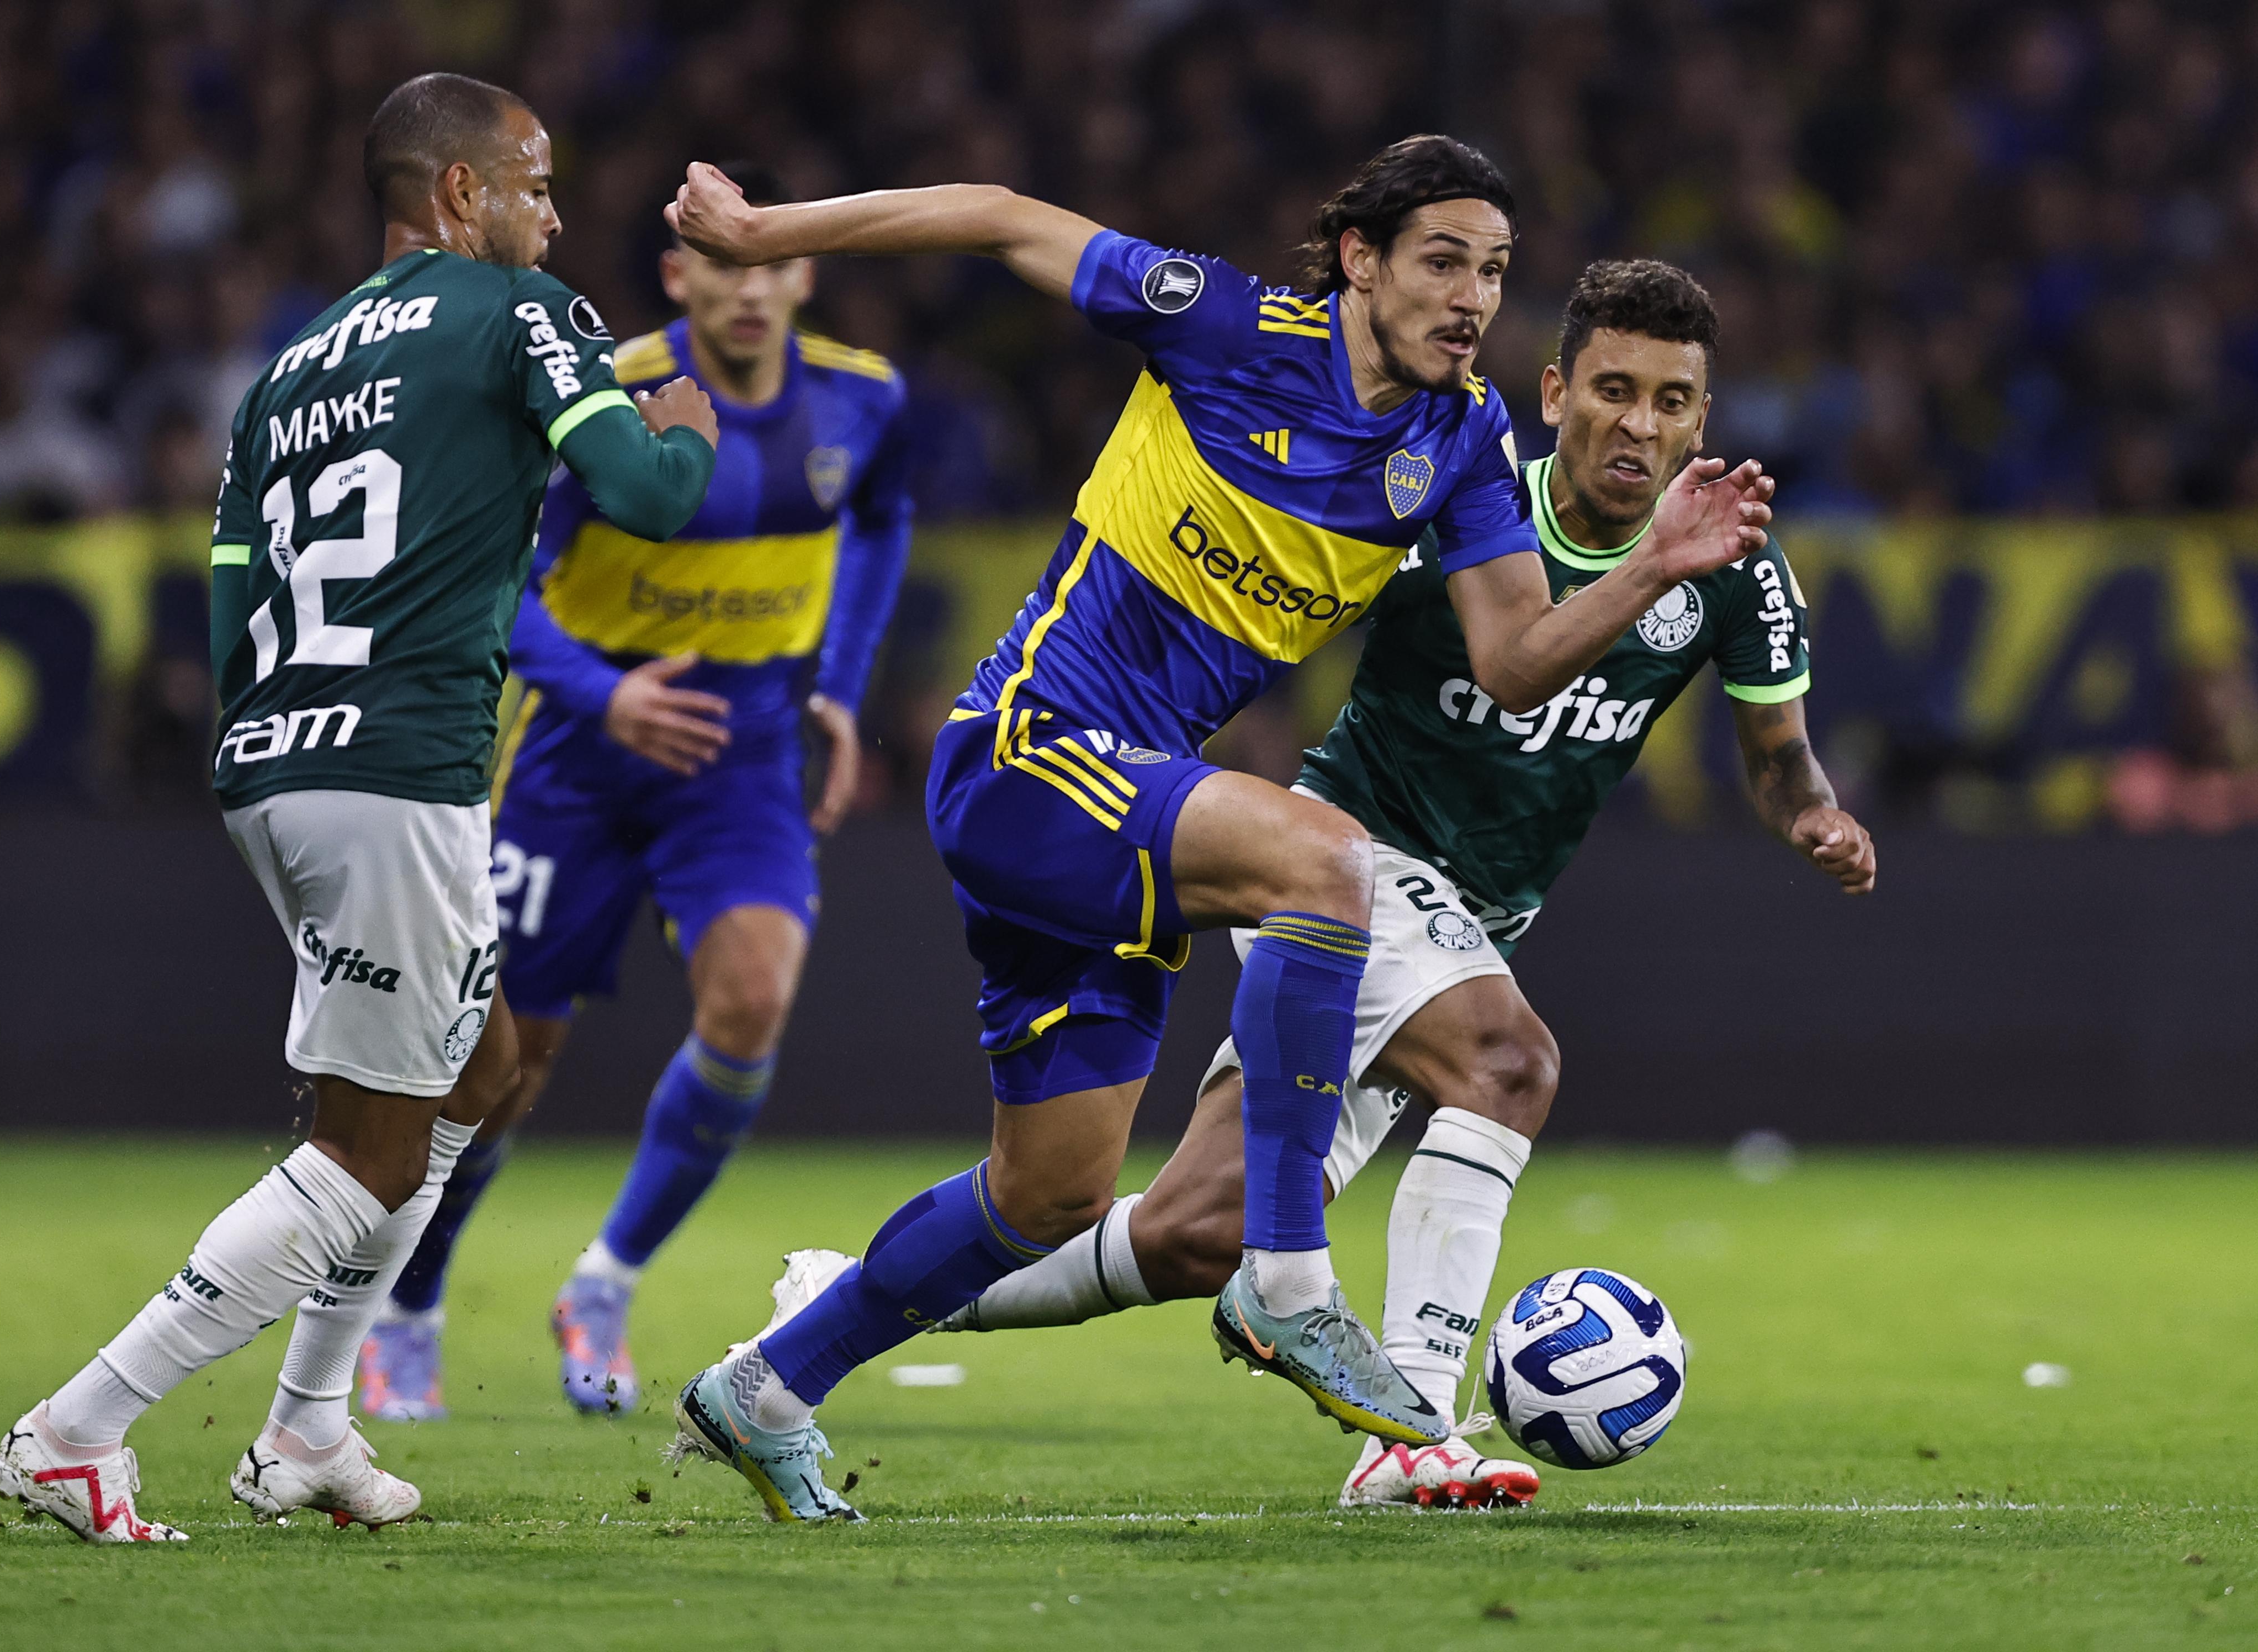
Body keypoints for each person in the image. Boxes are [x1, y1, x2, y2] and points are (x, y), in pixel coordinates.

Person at [656, 141, 1774, 1521]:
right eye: (1441, 261)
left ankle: (766, 1385)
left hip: (1119, 816)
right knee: (1325, 857)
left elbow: (1516, 659)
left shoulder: (1462, 438)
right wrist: (768, 233)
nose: (1472, 296)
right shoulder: (1226, 324)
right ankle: (1291, 1276)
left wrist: (1660, 561)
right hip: (1028, 747)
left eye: (1491, 271)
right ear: (1361, 259)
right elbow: (1003, 215)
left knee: (1050, 1194)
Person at [916, 259, 1877, 1511]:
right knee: (1508, 1063)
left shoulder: (1734, 566)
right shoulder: (1458, 507)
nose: (1638, 423)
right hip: (1342, 868)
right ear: (1555, 393)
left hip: (1473, 922)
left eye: (1672, 400)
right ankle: (1410, 1425)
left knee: (1198, 1227)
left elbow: (1778, 756)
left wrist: (1815, 815)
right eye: (1614, 389)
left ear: (1703, 420)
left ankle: (873, 1292)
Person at [0, 73, 717, 1544]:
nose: (554, 215)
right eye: (534, 183)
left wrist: (279, 750)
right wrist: (686, 422)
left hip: (273, 762)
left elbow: (228, 602)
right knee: (371, 1149)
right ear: (458, 196)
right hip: (399, 769)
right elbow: (642, 493)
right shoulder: (522, 313)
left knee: (484, 1063)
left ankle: (309, 1428)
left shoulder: (285, 369)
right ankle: (79, 1426)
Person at [358, 163, 914, 1422]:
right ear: (680, 275)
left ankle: (605, 1278)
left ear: (803, 270)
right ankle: (409, 1300)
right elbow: (493, 580)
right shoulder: (602, 393)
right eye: (725, 266)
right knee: (504, 1059)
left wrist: (837, 684)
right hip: (580, 757)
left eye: (772, 263)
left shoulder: (864, 401)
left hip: (746, 752)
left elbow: (882, 520)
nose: (752, 290)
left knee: (754, 999)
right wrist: (606, 694)